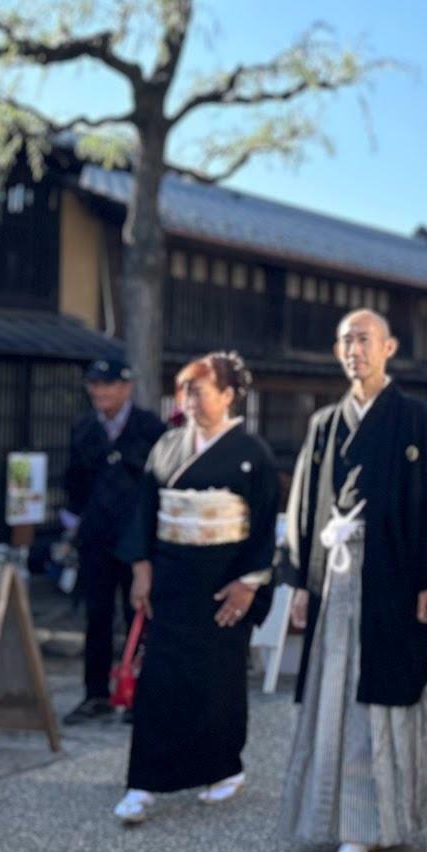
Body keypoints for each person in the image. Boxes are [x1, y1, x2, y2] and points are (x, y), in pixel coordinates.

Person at [279, 310, 427, 852]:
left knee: (378, 701)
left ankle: (367, 827)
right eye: (344, 340)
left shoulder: (415, 417)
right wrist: (299, 582)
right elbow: (305, 507)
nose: (353, 349)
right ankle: (335, 819)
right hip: (336, 575)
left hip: (391, 575)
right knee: (334, 696)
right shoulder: (324, 423)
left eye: (363, 339)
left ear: (388, 347)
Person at [113, 352, 279, 826]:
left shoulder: (253, 454)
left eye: (197, 390)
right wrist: (142, 571)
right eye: (183, 389)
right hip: (172, 578)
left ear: (227, 396)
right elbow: (145, 512)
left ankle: (222, 769)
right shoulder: (167, 446)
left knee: (219, 680)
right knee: (159, 682)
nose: (186, 398)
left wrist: (249, 584)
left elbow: (266, 527)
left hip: (224, 584)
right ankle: (143, 782)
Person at [62, 356, 166, 724]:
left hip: (138, 541)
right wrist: (71, 525)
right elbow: (74, 481)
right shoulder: (84, 427)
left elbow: (159, 487)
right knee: (97, 616)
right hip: (96, 537)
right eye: (95, 385)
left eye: (108, 385)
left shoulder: (150, 428)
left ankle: (140, 693)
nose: (100, 392)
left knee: (140, 615)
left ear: (127, 387)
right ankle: (96, 694)